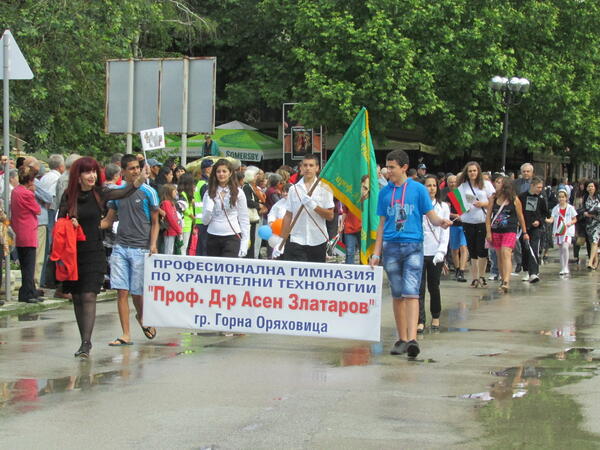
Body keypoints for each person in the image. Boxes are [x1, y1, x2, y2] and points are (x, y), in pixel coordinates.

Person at [58, 157, 145, 358]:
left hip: (94, 250)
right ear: (78, 175)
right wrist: (69, 220)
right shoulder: (69, 195)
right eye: (87, 172)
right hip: (74, 252)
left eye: (95, 172)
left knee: (89, 295)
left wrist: (138, 179)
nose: (92, 176)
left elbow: (123, 192)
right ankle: (83, 340)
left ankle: (86, 344)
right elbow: (60, 218)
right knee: (78, 297)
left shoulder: (101, 192)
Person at [370, 150, 452, 358]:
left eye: (392, 167)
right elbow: (381, 224)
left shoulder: (418, 190)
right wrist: (376, 252)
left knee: (411, 292)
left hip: (414, 245)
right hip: (391, 245)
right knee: (397, 294)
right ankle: (402, 338)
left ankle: (413, 337)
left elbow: (431, 216)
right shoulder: (384, 192)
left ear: (404, 167)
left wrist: (441, 222)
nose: (388, 171)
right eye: (387, 167)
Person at [104, 154, 159, 346]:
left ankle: (142, 318)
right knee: (121, 292)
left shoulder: (148, 192)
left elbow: (155, 222)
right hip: (120, 247)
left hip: (140, 248)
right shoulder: (117, 192)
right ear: (124, 171)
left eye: (138, 167)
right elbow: (108, 220)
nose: (136, 171)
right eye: (132, 168)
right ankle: (125, 334)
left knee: (137, 293)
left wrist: (153, 244)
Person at [276, 154, 334, 262]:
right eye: (305, 165)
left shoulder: (325, 188)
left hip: (318, 239)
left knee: (315, 274)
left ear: (317, 168)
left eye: (311, 165)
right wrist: (281, 240)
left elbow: (330, 216)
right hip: (297, 239)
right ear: (301, 167)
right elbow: (288, 215)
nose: (308, 168)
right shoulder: (293, 189)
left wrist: (314, 206)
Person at [418, 175, 450, 333]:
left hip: (436, 251)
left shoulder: (443, 206)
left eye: (434, 185)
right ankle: (420, 320)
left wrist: (442, 252)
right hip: (419, 251)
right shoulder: (418, 205)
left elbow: (445, 232)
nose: (431, 188)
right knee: (419, 288)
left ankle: (435, 316)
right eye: (428, 185)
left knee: (434, 286)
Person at [485, 176, 528, 293]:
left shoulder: (514, 199)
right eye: (496, 181)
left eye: (499, 182)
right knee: (499, 256)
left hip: (510, 230)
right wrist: (488, 232)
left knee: (506, 252)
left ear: (505, 185)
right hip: (496, 230)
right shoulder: (493, 198)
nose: (496, 184)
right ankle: (502, 278)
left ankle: (506, 282)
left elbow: (520, 217)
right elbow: (488, 216)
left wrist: (524, 232)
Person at [456, 161, 495, 287]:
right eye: (470, 171)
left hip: (482, 220)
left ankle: (482, 276)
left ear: (478, 171)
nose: (472, 173)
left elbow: (493, 202)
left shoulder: (486, 185)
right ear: (466, 173)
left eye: (474, 170)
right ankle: (474, 277)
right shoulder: (463, 186)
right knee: (472, 250)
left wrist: (483, 204)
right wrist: (463, 208)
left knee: (482, 249)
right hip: (468, 220)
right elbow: (459, 205)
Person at [202, 159, 250, 258]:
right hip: (213, 235)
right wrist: (208, 210)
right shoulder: (208, 192)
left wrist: (244, 242)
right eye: (218, 171)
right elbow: (205, 222)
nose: (221, 174)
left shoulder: (238, 192)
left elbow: (244, 218)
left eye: (224, 171)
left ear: (230, 173)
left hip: (232, 236)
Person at [11, 165, 42, 304]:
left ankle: (30, 289)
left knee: (25, 263)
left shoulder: (16, 191)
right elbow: (37, 209)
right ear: (30, 180)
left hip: (19, 229)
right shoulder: (27, 193)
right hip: (29, 230)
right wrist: (33, 193)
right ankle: (28, 292)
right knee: (29, 264)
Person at [518, 177, 550, 283]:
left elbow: (545, 213)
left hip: (536, 228)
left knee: (533, 248)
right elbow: (518, 211)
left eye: (541, 187)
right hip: (524, 227)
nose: (540, 189)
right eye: (538, 187)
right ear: (532, 185)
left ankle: (533, 272)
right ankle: (527, 270)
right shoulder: (521, 197)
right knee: (525, 249)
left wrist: (539, 221)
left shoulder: (541, 199)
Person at [445, 174, 468, 282]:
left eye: (454, 181)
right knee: (454, 249)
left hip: (464, 225)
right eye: (450, 182)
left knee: (463, 247)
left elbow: (469, 207)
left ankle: (462, 271)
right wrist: (454, 216)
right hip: (453, 225)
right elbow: (446, 211)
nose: (453, 184)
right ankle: (457, 269)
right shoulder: (447, 196)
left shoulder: (464, 193)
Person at [549, 189, 578, 276]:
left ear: (566, 198)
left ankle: (566, 267)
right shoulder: (555, 208)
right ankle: (562, 267)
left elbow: (575, 219)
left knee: (565, 246)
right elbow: (552, 219)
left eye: (563, 197)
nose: (561, 199)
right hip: (558, 231)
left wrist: (570, 223)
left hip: (567, 231)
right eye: (559, 197)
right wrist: (546, 220)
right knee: (561, 249)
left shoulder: (570, 208)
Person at [242, 166, 265, 259]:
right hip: (249, 218)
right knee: (250, 239)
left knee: (253, 238)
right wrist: (258, 205)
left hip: (253, 217)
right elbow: (247, 201)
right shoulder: (247, 187)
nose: (257, 177)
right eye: (256, 175)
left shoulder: (253, 187)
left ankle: (251, 256)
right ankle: (249, 257)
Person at [193, 159, 213, 255]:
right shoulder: (205, 184)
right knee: (204, 247)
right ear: (208, 169)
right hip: (204, 219)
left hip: (201, 219)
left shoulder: (201, 182)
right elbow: (209, 202)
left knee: (201, 247)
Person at [159, 184, 183, 255]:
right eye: (175, 191)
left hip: (173, 230)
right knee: (168, 251)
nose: (176, 192)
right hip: (169, 230)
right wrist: (179, 230)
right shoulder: (166, 203)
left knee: (171, 250)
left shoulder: (171, 203)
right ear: (169, 192)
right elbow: (171, 218)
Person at [582, 180, 600, 270]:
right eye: (589, 186)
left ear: (595, 187)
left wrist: (591, 213)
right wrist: (585, 213)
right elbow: (583, 209)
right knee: (592, 242)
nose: (590, 188)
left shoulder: (598, 197)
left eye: (592, 186)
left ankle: (590, 262)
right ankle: (596, 262)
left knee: (594, 241)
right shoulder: (585, 197)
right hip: (589, 223)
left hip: (598, 222)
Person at [177, 173, 195, 253]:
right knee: (183, 247)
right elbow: (184, 208)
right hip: (185, 223)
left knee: (185, 246)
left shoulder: (185, 194)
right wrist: (192, 216)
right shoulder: (182, 194)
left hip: (187, 223)